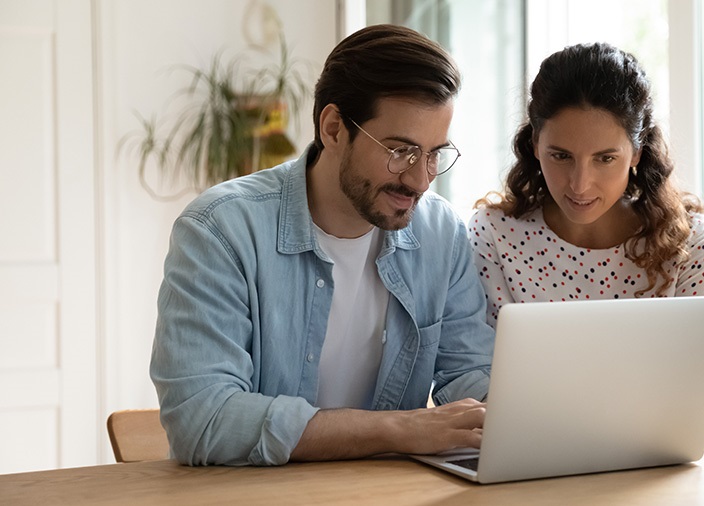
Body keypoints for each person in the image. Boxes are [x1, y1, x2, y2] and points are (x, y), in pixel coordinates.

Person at [150, 24, 492, 466]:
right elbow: (203, 419)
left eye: (433, 154)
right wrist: (400, 429)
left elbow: (469, 376)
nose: (421, 178)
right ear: (333, 129)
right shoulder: (219, 230)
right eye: (400, 150)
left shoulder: (441, 234)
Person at [467, 42, 704, 452]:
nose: (579, 184)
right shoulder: (494, 234)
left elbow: (696, 397)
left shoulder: (689, 243)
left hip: (652, 462)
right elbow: (483, 391)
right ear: (534, 145)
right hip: (534, 458)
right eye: (560, 155)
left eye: (605, 158)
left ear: (637, 153)